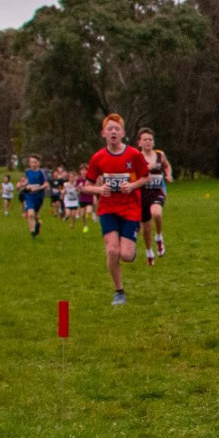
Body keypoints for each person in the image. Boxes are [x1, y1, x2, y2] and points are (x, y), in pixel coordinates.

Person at [86, 115, 151, 306]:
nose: (113, 132)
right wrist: (99, 189)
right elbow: (86, 186)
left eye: (116, 129)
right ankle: (119, 292)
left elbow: (146, 177)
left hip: (130, 209)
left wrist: (132, 186)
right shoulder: (98, 158)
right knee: (112, 250)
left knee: (126, 255)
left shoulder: (133, 155)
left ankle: (131, 247)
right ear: (103, 133)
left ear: (122, 133)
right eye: (110, 129)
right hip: (108, 209)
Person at [136, 128, 172, 264]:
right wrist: (147, 168)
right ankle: (149, 252)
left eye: (150, 139)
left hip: (157, 192)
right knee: (145, 228)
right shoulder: (137, 157)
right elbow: (134, 175)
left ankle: (158, 237)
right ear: (139, 142)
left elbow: (167, 166)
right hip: (143, 195)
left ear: (153, 141)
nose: (148, 142)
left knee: (156, 213)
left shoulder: (160, 155)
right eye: (145, 139)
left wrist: (168, 174)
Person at [21, 155, 47, 238]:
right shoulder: (27, 171)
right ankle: (32, 232)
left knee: (35, 215)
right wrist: (22, 185)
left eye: (35, 162)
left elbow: (46, 184)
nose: (33, 164)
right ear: (29, 163)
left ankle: (38, 224)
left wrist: (37, 188)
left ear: (38, 163)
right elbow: (26, 181)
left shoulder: (42, 172)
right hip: (29, 196)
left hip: (39, 196)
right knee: (30, 214)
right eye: (31, 162)